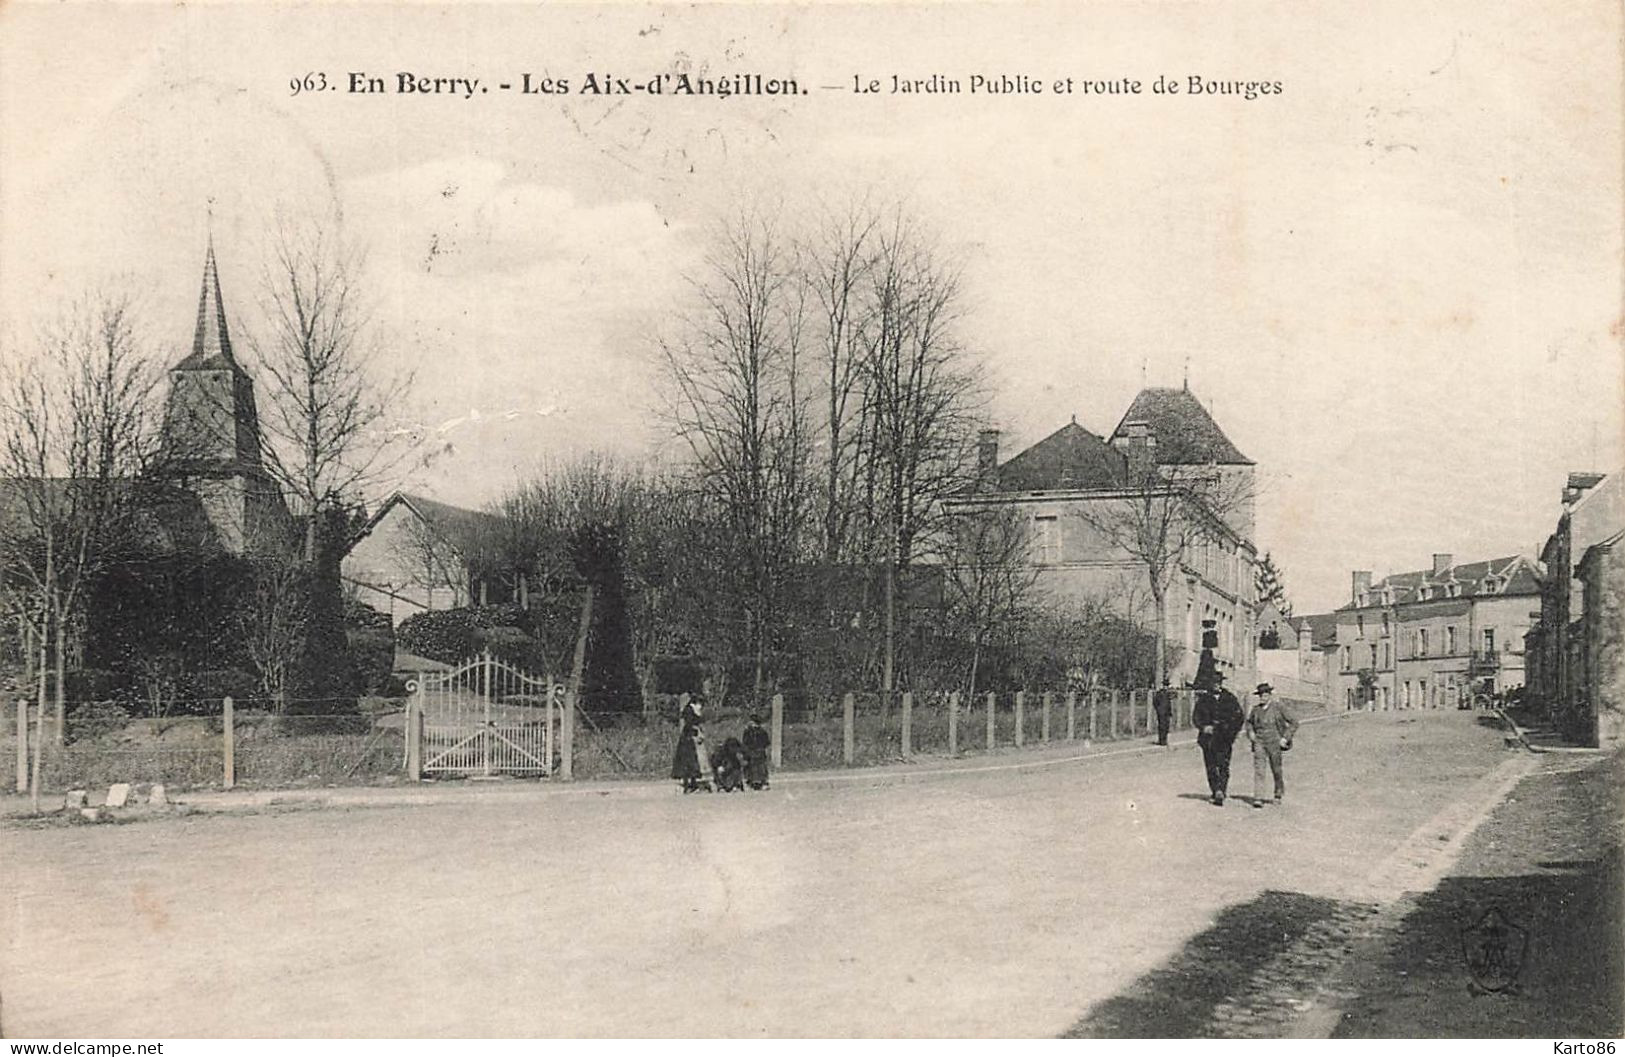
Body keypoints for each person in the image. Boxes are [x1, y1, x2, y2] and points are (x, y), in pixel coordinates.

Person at [1192, 670, 1246, 806]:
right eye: (1213, 683)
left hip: (1224, 738)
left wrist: (1232, 733)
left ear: (1221, 683)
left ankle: (1221, 790)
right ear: (1210, 684)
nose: (1216, 685)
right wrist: (1203, 727)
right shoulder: (1203, 699)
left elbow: (1239, 717)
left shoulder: (1230, 698)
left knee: (1223, 765)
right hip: (1208, 739)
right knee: (1210, 766)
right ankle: (1215, 789)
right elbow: (1196, 717)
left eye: (1218, 683)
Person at [1245, 683, 1299, 808]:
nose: (1263, 697)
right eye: (1260, 695)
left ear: (1269, 695)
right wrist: (1251, 733)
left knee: (1276, 769)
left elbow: (1294, 722)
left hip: (1275, 742)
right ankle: (1258, 797)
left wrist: (1285, 738)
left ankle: (1278, 794)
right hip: (1259, 742)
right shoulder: (1256, 710)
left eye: (1265, 695)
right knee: (1259, 769)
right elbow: (1249, 723)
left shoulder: (1278, 707)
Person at [671, 694, 712, 794]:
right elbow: (690, 724)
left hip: (691, 736)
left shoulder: (692, 710)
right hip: (688, 738)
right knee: (688, 760)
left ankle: (692, 781)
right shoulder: (689, 710)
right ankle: (688, 783)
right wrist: (696, 732)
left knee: (693, 760)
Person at [742, 712, 771, 790]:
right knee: (755, 766)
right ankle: (756, 782)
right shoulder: (751, 731)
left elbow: (745, 742)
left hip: (757, 751)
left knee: (759, 767)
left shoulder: (755, 731)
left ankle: (759, 782)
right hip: (755, 751)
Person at [1152, 676, 1174, 746]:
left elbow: (1169, 704)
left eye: (1167, 686)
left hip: (1166, 713)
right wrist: (1158, 709)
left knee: (1166, 726)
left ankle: (1165, 740)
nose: (1166, 687)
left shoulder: (1168, 694)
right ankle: (1161, 740)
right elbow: (1155, 702)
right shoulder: (1159, 693)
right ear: (1163, 686)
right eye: (1165, 686)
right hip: (1161, 712)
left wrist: (1170, 712)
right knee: (1162, 726)